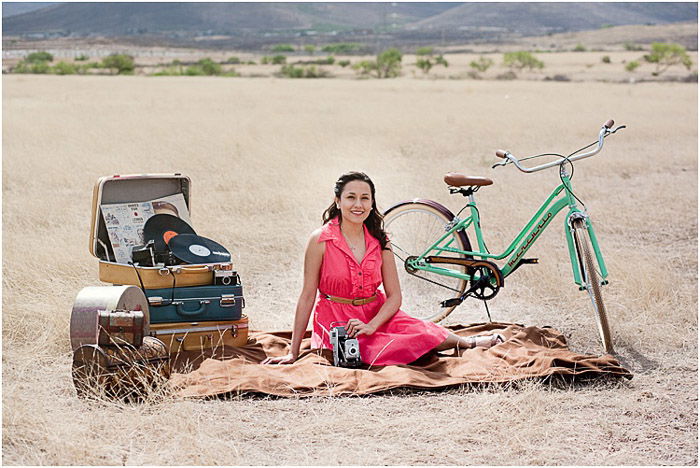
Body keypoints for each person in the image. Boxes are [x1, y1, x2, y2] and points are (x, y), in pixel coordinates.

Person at [262, 171, 504, 366]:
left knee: (422, 332)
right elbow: (307, 296)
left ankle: (467, 343)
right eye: (351, 197)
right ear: (338, 201)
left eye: (365, 198)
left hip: (377, 314)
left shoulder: (381, 240)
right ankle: (436, 346)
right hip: (336, 320)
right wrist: (292, 353)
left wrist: (372, 325)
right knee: (375, 350)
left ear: (372, 202)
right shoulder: (320, 240)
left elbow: (395, 297)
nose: (358, 204)